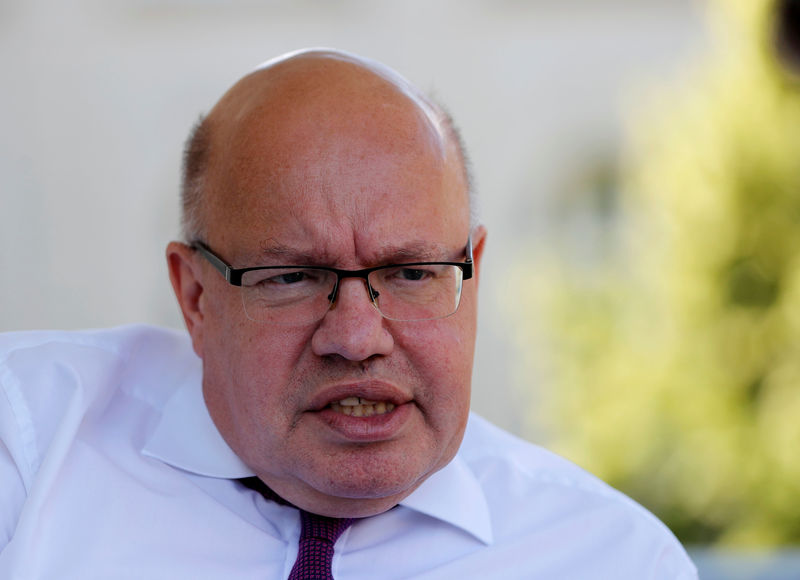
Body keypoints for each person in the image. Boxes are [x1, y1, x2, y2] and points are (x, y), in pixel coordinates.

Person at [0, 48, 697, 578]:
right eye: (294, 277)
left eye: (413, 272)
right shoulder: (29, 452)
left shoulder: (614, 559)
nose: (357, 339)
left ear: (473, 276)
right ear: (195, 297)